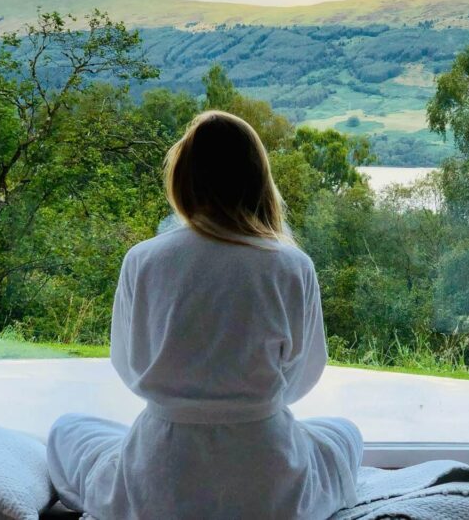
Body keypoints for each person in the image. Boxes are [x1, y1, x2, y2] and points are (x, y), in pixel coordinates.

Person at [47, 110, 363, 519]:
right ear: (258, 180)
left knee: (66, 430)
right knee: (344, 433)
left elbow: (129, 365)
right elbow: (304, 373)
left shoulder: (143, 259)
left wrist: (186, 401)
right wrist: (250, 405)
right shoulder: (291, 264)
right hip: (267, 478)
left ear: (183, 180)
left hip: (160, 474)